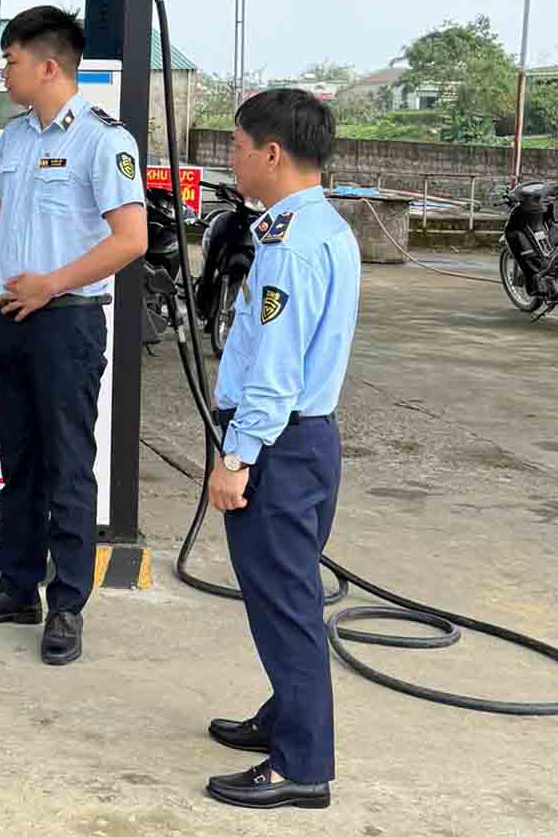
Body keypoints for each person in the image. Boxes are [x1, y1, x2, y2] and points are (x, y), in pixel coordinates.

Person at [0, 6, 147, 666]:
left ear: (48, 66)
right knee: (19, 463)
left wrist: (50, 284)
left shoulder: (103, 141)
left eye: (12, 60)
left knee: (65, 468)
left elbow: (130, 240)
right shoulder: (17, 137)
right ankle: (15, 586)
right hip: (9, 320)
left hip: (65, 324)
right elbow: (1, 224)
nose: (5, 72)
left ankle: (67, 607)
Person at [202, 88, 359, 811]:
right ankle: (285, 716)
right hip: (310, 442)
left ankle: (301, 765)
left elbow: (275, 367)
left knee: (286, 605)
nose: (229, 155)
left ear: (271, 152)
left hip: (279, 446)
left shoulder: (288, 247)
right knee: (286, 597)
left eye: (235, 144)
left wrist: (236, 460)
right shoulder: (325, 228)